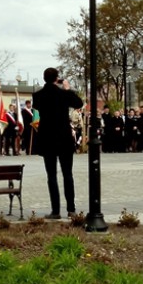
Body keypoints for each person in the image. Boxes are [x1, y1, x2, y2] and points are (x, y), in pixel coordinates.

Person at [31, 67, 83, 219]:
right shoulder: (63, 94)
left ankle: (55, 211)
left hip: (47, 139)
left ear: (44, 78)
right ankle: (71, 209)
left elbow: (38, 107)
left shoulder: (38, 95)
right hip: (64, 138)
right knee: (68, 174)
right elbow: (78, 103)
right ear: (57, 78)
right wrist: (67, 89)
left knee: (51, 175)